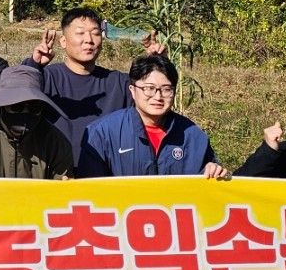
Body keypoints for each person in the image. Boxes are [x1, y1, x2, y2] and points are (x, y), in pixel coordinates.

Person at [77, 54, 229, 179]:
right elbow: (90, 189)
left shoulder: (193, 135)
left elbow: (207, 182)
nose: (158, 96)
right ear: (132, 90)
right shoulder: (103, 133)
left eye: (166, 89)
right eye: (149, 88)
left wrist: (214, 170)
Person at [22, 7, 134, 156]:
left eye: (95, 33)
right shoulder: (46, 78)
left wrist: (157, 63)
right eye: (80, 33)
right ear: (63, 41)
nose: (89, 40)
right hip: (57, 173)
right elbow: (15, 95)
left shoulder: (119, 82)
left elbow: (151, 102)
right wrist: (34, 65)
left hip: (106, 174)